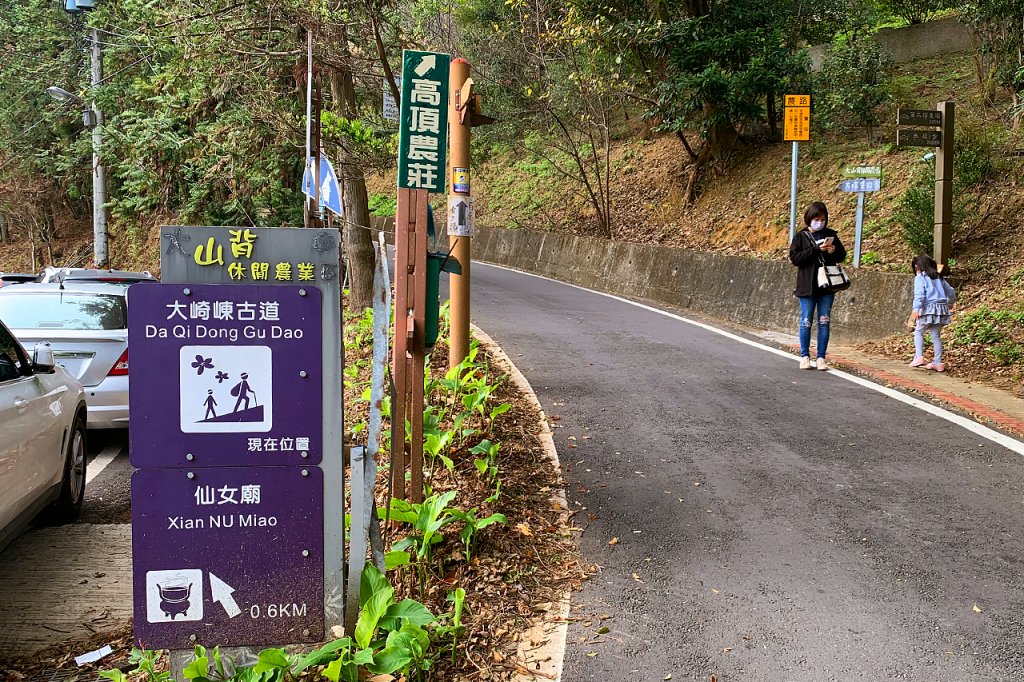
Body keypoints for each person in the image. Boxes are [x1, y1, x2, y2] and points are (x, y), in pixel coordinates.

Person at [789, 201, 847, 370]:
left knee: (824, 320)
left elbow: (842, 255)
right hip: (807, 285)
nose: (820, 222)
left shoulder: (831, 234)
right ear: (809, 218)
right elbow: (795, 258)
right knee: (806, 320)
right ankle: (804, 356)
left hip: (827, 286)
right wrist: (816, 249)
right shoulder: (800, 237)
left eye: (823, 219)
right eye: (816, 219)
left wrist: (833, 250)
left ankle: (821, 357)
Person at [909, 254, 956, 372]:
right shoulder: (939, 278)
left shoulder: (920, 278)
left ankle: (919, 356)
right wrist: (950, 303)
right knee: (936, 336)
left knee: (919, 331)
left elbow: (920, 295)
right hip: (941, 310)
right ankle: (938, 362)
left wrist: (916, 309)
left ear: (918, 267)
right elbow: (951, 292)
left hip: (927, 308)